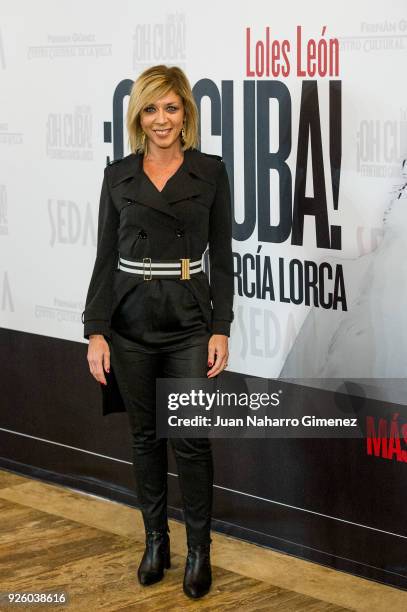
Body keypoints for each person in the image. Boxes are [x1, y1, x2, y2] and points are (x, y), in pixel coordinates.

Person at [82, 65, 234, 599]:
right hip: (130, 323)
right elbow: (104, 259)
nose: (161, 119)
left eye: (171, 108)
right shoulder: (117, 176)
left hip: (189, 323)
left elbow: (225, 259)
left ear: (185, 115)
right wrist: (95, 330)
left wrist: (221, 326)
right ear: (138, 117)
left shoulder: (210, 172)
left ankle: (198, 551)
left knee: (191, 440)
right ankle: (155, 543)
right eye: (151, 109)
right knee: (145, 437)